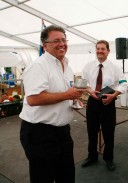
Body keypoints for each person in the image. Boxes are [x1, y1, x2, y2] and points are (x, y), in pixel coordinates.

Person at [19, 25, 84, 183]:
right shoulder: (39, 66)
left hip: (63, 132)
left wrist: (74, 98)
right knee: (43, 177)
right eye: (56, 41)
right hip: (40, 134)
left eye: (64, 40)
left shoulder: (66, 66)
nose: (62, 44)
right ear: (45, 45)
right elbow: (33, 99)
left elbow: (64, 93)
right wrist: (67, 95)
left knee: (66, 175)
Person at [82, 40, 127, 171]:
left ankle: (109, 158)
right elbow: (83, 82)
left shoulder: (115, 68)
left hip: (108, 102)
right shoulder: (88, 66)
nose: (100, 51)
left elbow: (123, 83)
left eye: (103, 49)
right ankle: (92, 156)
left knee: (108, 133)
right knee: (91, 132)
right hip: (92, 102)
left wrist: (114, 95)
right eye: (98, 48)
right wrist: (89, 91)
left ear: (108, 51)